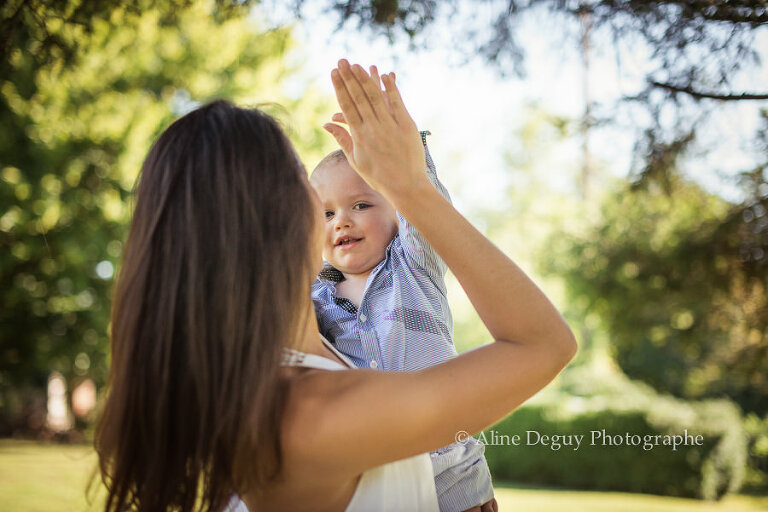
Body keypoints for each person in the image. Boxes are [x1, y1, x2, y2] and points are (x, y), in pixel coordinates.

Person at [95, 59, 577, 512]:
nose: (336, 215)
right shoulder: (314, 416)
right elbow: (543, 344)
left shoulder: (271, 375)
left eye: (360, 204)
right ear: (280, 217)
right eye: (308, 187)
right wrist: (409, 185)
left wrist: (411, 184)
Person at [311, 121, 494, 511]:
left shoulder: (413, 264)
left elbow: (427, 210)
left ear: (397, 209)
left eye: (361, 205)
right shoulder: (313, 297)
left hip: (451, 477)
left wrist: (406, 159)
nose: (341, 220)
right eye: (326, 213)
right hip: (376, 480)